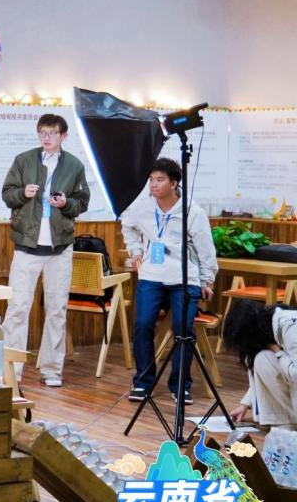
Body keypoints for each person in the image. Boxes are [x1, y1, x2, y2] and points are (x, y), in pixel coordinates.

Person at [1, 114, 90, 388]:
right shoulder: (24, 160)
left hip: (59, 247)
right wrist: (23, 193)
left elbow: (82, 201)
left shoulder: (74, 165)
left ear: (63, 136)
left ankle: (52, 370)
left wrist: (66, 203)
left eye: (52, 133)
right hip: (27, 246)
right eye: (42, 132)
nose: (46, 138)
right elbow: (7, 194)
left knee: (56, 309)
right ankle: (11, 371)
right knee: (17, 308)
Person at [121, 157, 218, 405]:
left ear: (174, 184)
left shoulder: (192, 212)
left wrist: (207, 280)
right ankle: (143, 382)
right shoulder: (142, 207)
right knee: (142, 325)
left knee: (183, 329)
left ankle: (181, 385)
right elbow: (127, 224)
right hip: (151, 276)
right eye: (151, 179)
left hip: (184, 279)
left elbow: (206, 249)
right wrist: (136, 251)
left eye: (160, 180)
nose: (153, 185)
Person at [223, 300, 297, 429]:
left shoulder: (290, 327)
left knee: (264, 358)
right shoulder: (269, 325)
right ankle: (286, 420)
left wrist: (278, 352)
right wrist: (245, 404)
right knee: (262, 358)